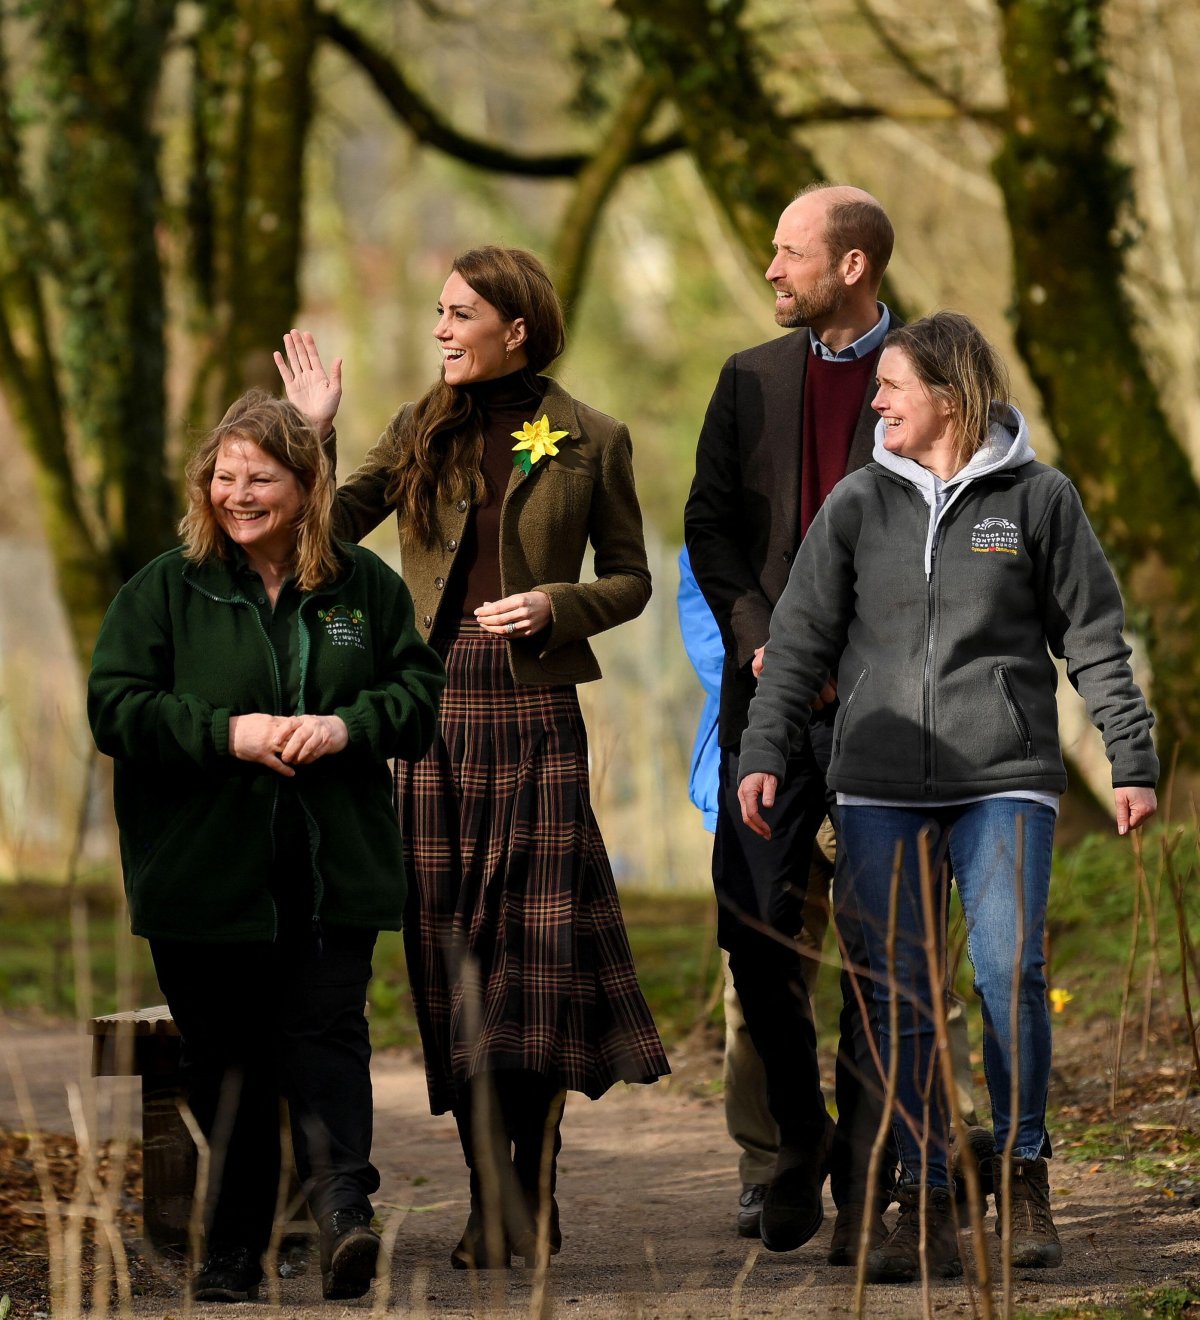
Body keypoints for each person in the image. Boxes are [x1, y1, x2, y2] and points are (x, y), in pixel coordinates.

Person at [738, 311, 1158, 1282]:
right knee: (899, 994)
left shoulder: (1041, 499)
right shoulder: (856, 502)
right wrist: (764, 750)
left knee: (1009, 974)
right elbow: (797, 641)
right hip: (877, 786)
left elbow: (1094, 638)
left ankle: (1022, 1168)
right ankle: (926, 1193)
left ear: (948, 394)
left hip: (1005, 777)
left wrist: (1130, 758)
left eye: (891, 387)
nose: (875, 404)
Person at [275, 245, 670, 1270]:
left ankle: (528, 1191)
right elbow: (324, 533)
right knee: (449, 958)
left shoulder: (593, 437)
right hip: (429, 711)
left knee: (530, 964)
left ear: (516, 329)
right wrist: (311, 434)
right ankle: (490, 1193)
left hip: (535, 712)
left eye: (460, 314)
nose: (441, 329)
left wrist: (557, 604)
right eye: (439, 312)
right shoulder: (419, 425)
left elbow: (632, 577)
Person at [87, 391, 445, 1302]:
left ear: (309, 485)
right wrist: (227, 734)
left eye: (261, 479)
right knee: (226, 1060)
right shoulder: (166, 588)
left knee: (328, 1037)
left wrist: (346, 727)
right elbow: (116, 707)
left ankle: (344, 1215)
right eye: (224, 476)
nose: (238, 495)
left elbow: (417, 697)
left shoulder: (363, 588)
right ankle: (233, 1248)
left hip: (332, 871)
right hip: (203, 876)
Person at [684, 182, 899, 1260]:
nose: (770, 269)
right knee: (753, 926)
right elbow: (710, 528)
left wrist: (838, 652)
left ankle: (864, 1173)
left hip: (882, 707)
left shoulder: (933, 376)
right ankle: (800, 1131)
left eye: (789, 252)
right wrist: (764, 637)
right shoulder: (748, 378)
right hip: (764, 696)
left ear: (851, 265)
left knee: (880, 950)